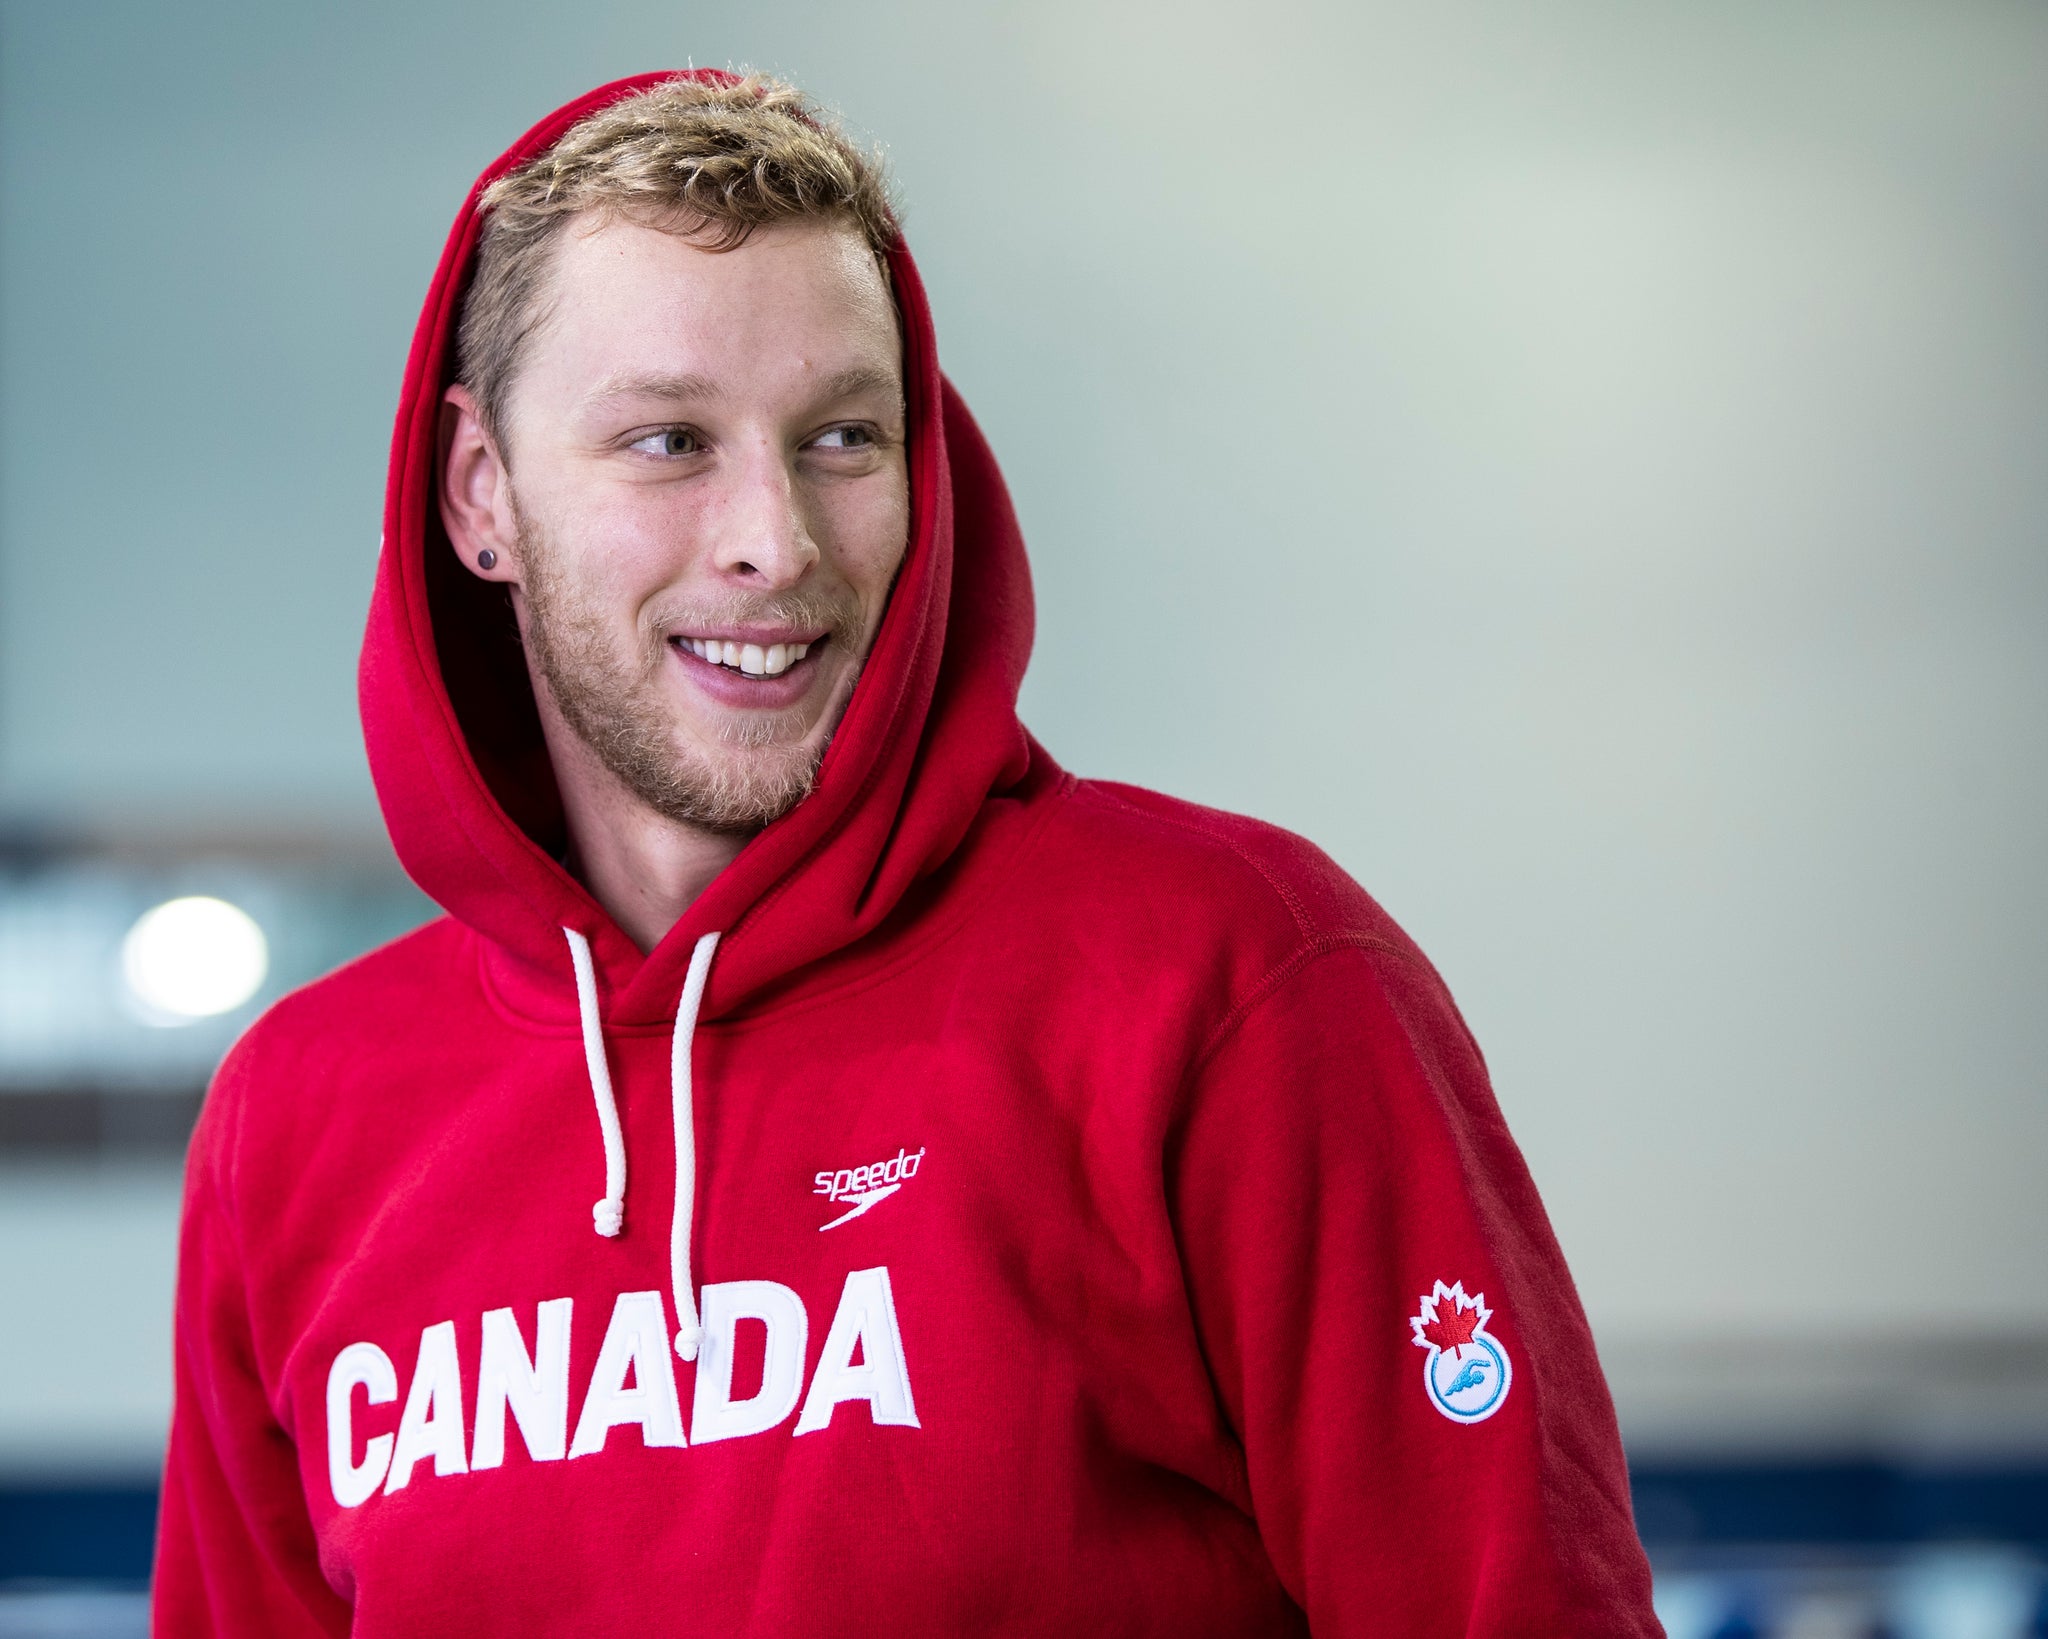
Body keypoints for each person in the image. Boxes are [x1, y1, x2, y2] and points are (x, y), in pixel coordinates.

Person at [154, 70, 1662, 1635]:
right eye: (669, 439)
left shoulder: (1229, 981)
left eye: (843, 438)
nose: (775, 541)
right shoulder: (299, 1121)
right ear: (482, 494)